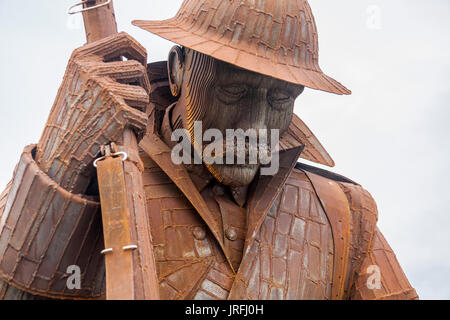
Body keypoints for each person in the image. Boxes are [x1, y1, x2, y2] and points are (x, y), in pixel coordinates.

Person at [0, 0, 418, 300]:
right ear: (179, 68)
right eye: (233, 91)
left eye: (280, 100)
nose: (255, 129)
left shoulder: (342, 212)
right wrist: (60, 161)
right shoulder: (96, 178)